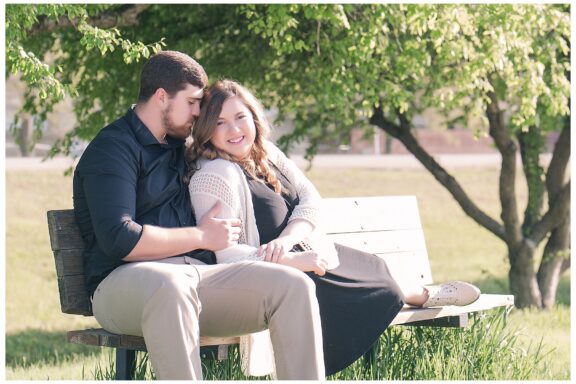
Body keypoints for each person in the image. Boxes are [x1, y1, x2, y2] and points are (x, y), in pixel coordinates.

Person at [185, 79, 482, 376]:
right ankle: (421, 295)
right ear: (207, 130)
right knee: (384, 290)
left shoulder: (266, 153)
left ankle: (419, 293)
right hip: (279, 280)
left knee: (377, 269)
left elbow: (310, 198)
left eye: (240, 118)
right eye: (220, 123)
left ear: (253, 118)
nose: (234, 130)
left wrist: (289, 240)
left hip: (309, 251)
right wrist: (293, 262)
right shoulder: (214, 175)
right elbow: (226, 257)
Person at [73, 51, 326, 380]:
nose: (199, 112)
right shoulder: (113, 149)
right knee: (170, 285)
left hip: (196, 278)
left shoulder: (180, 146)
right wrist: (202, 237)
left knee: (292, 286)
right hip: (122, 285)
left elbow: (242, 149)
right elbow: (120, 239)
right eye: (193, 102)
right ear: (162, 97)